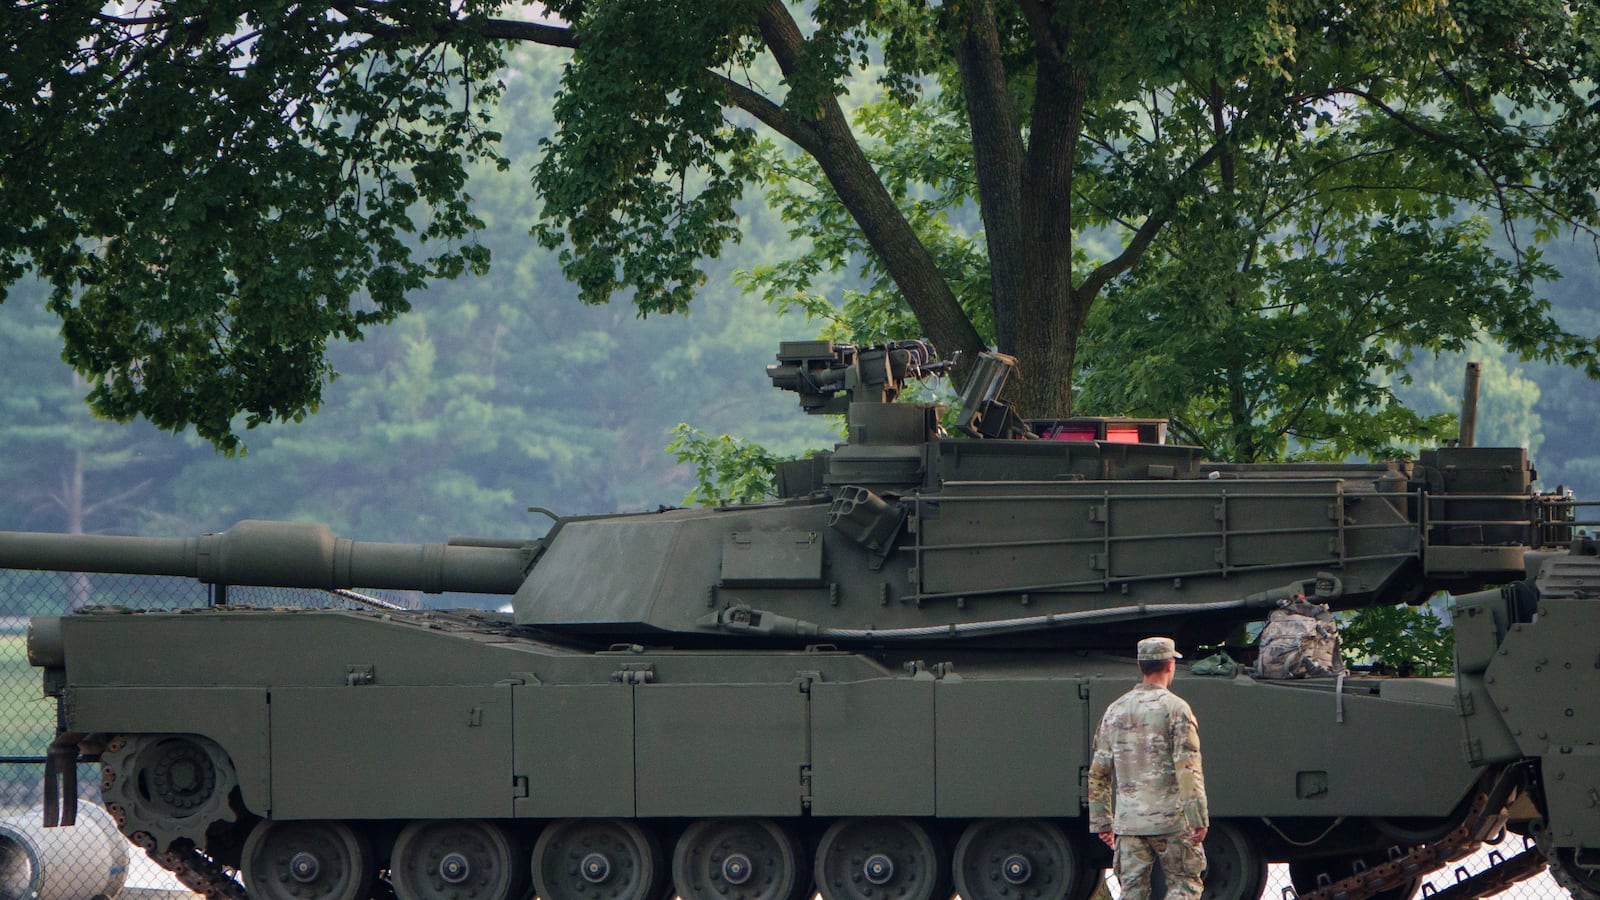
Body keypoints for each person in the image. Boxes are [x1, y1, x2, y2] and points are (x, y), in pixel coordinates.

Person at [1087, 636, 1209, 900]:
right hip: (1173, 821)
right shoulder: (1177, 709)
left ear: (1141, 666)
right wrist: (1198, 818)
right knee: (1184, 886)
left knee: (1132, 892)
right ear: (1169, 665)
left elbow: (1099, 773)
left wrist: (1102, 822)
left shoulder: (1114, 711)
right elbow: (1188, 769)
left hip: (1129, 824)